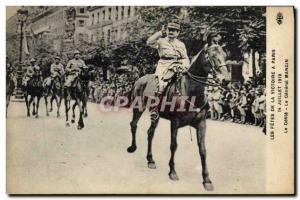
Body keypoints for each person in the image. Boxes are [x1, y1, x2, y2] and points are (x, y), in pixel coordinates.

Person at [146, 19, 190, 120]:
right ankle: (155, 109)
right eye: (169, 29)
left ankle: (186, 107)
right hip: (164, 65)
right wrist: (159, 33)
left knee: (186, 82)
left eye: (174, 30)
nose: (171, 32)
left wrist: (185, 66)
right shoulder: (161, 41)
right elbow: (149, 42)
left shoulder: (181, 44)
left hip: (178, 65)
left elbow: (185, 57)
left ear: (178, 33)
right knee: (162, 84)